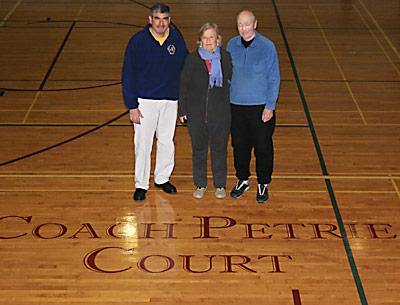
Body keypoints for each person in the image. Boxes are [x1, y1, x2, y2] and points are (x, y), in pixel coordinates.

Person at [122, 3, 187, 201]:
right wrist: (132, 105)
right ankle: (141, 184)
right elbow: (128, 74)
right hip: (145, 102)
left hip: (170, 101)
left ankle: (162, 178)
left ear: (169, 20)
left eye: (165, 19)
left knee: (167, 142)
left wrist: (184, 104)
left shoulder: (176, 40)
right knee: (143, 144)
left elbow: (185, 72)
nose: (161, 23)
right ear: (150, 20)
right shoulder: (138, 42)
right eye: (157, 18)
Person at [227, 10, 280, 204]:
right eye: (240, 24)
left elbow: (274, 78)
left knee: (263, 147)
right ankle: (242, 179)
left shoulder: (267, 47)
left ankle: (263, 183)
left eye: (247, 24)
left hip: (260, 108)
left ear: (255, 24)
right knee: (239, 146)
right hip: (236, 106)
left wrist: (270, 106)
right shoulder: (231, 45)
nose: (243, 28)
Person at [178, 23, 232, 199]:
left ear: (219, 40)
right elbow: (184, 85)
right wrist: (182, 110)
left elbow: (232, 82)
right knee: (199, 151)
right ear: (200, 40)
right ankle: (200, 184)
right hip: (196, 116)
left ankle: (220, 185)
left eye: (212, 37)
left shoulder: (226, 58)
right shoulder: (192, 59)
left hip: (220, 115)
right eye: (205, 37)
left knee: (219, 151)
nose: (209, 41)